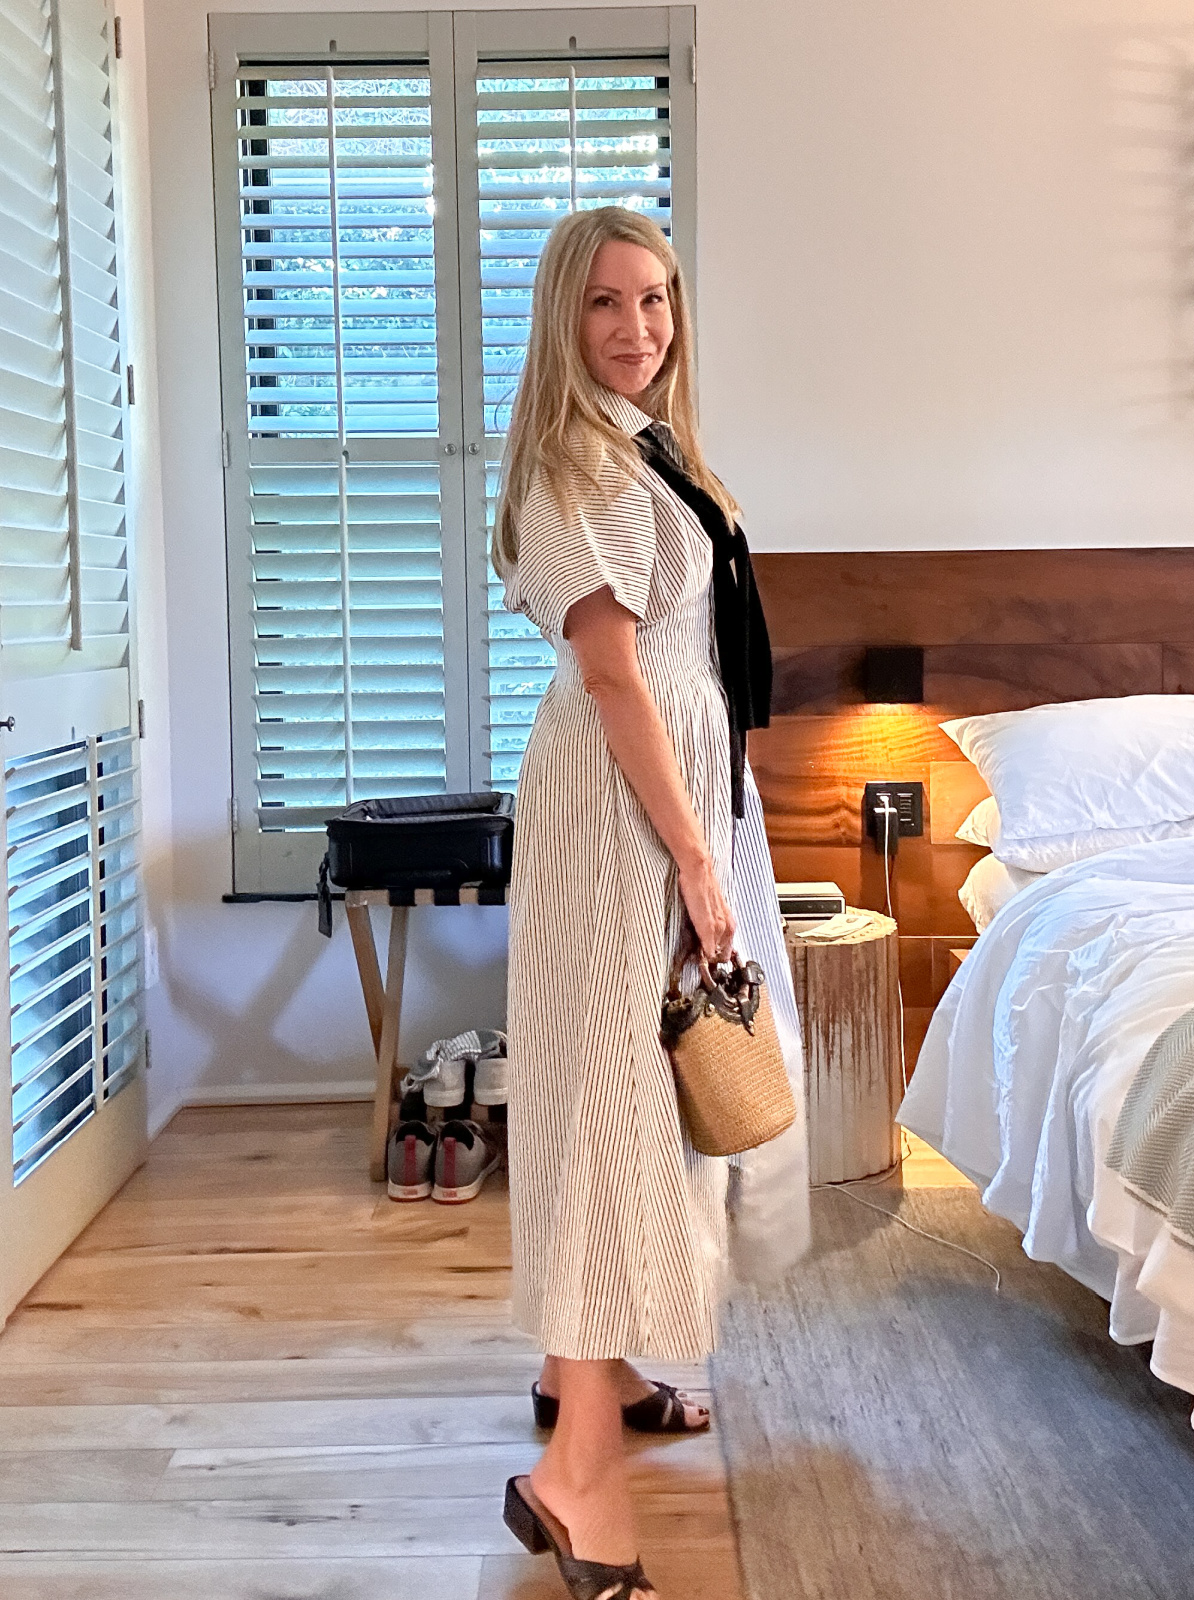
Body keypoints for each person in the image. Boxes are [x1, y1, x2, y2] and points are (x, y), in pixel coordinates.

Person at [494, 205, 809, 1600]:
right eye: (609, 304)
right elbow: (616, 677)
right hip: (621, 812)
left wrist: (711, 836)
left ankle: (605, 1378)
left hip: (673, 795)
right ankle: (573, 1477)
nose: (640, 328)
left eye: (660, 301)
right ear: (564, 318)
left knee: (642, 1094)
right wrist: (690, 855)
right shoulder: (569, 464)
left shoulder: (654, 449)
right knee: (607, 1109)